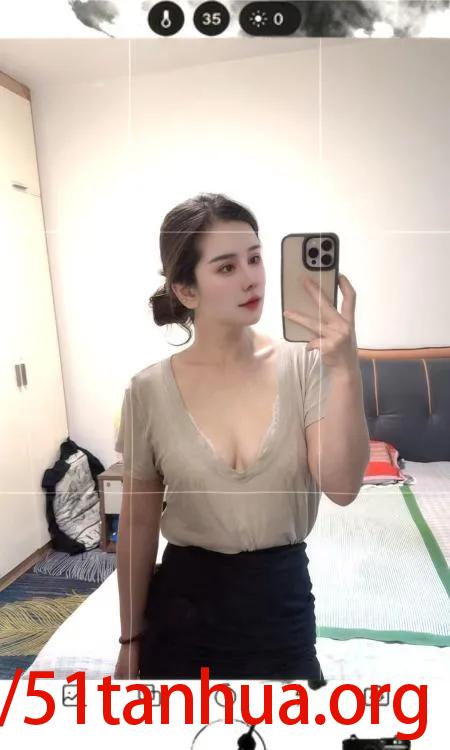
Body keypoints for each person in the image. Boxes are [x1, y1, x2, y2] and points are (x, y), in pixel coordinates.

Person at [113, 193, 370, 681]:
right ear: (186, 290)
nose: (252, 278)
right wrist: (130, 639)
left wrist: (346, 368)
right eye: (227, 267)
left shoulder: (304, 365)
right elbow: (139, 526)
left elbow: (341, 487)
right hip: (182, 613)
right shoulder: (146, 391)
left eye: (255, 258)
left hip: (281, 610)